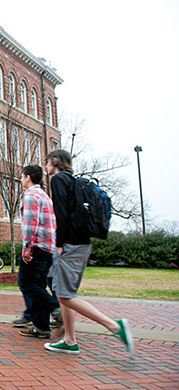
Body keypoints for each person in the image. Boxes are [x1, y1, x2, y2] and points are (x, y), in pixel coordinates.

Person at [44, 150, 133, 355]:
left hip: (69, 244)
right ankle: (70, 340)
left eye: (48, 161)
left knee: (65, 296)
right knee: (64, 293)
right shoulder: (73, 181)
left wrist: (59, 242)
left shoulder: (58, 180)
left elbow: (61, 214)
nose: (46, 166)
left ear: (56, 161)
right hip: (81, 243)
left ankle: (115, 327)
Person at [16, 165, 61, 339]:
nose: (21, 180)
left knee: (26, 284)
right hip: (48, 248)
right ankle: (42, 328)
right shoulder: (45, 196)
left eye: (21, 177)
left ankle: (55, 309)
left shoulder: (31, 196)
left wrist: (26, 249)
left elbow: (30, 224)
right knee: (39, 286)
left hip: (36, 248)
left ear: (28, 177)